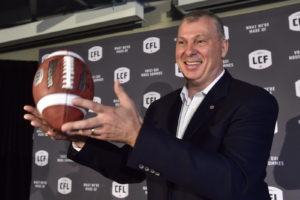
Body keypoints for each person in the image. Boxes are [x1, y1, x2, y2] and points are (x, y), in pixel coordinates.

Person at [24, 10, 278, 200]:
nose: (189, 51)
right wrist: (79, 139)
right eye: (181, 42)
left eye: (200, 41)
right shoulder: (163, 107)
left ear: (223, 47)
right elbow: (132, 169)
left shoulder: (252, 101)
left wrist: (137, 135)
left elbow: (233, 181)